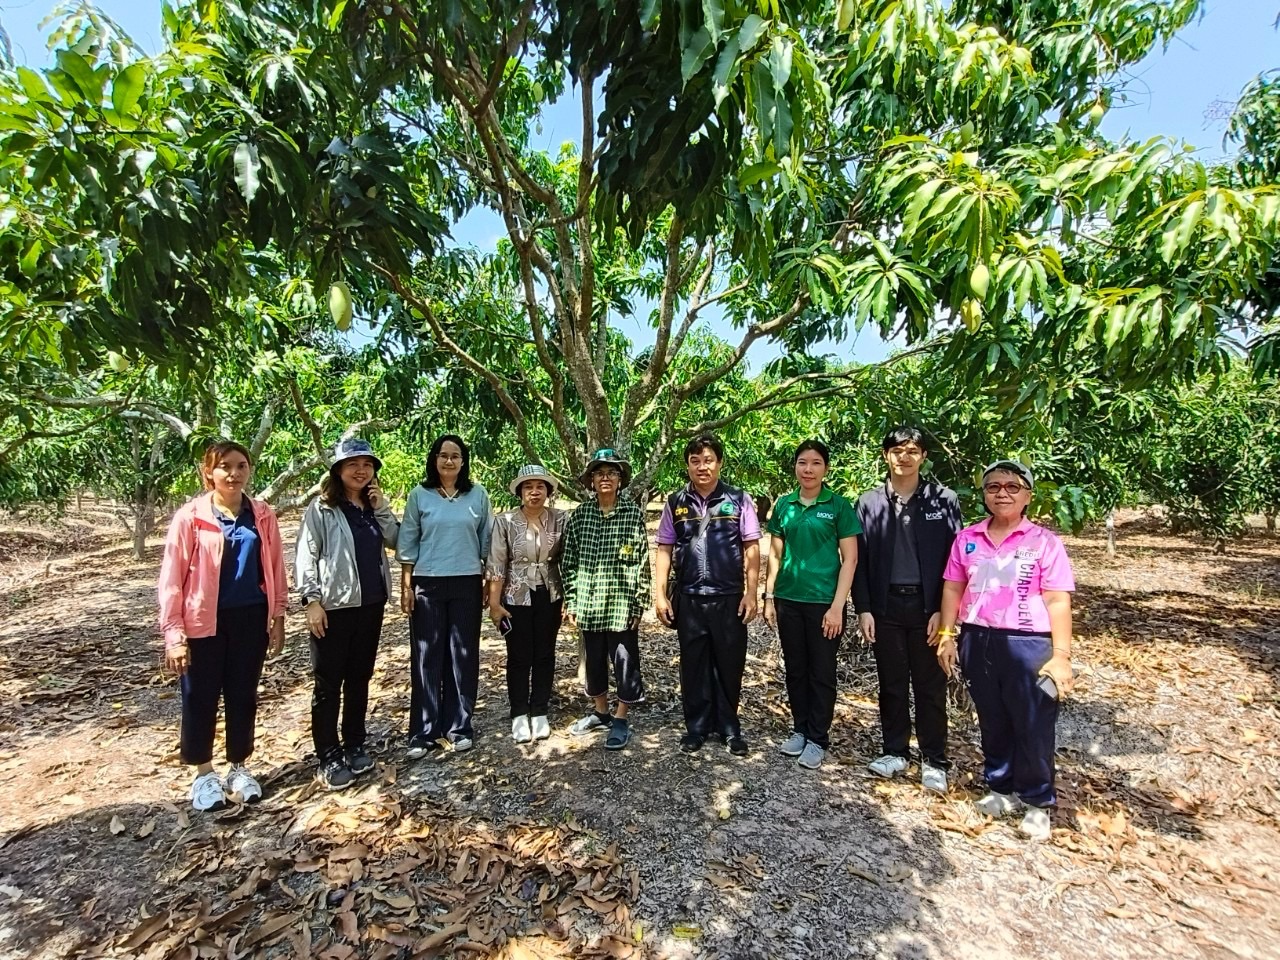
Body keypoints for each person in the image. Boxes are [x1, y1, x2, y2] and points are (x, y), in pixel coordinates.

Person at [936, 461, 1075, 841]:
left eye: (1013, 487)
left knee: (1032, 723)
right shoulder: (968, 539)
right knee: (992, 718)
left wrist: (1060, 655)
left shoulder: (1044, 542)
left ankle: (1036, 800)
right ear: (984, 494)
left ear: (1028, 495)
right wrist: (948, 634)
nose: (1002, 493)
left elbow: (1058, 600)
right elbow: (953, 587)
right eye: (994, 486)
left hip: (1028, 642)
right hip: (978, 638)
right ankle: (1000, 788)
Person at [158, 440, 287, 812]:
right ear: (208, 473)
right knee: (200, 697)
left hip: (250, 617)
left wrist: (277, 616)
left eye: (241, 466)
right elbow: (171, 578)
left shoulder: (261, 514)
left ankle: (239, 767)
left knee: (243, 694)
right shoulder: (191, 517)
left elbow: (275, 567)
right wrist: (174, 634)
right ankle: (203, 774)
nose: (233, 473)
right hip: (203, 622)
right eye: (225, 467)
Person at [853, 427, 961, 793]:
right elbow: (858, 561)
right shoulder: (869, 503)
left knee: (931, 684)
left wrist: (943, 613)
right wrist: (864, 608)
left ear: (923, 456)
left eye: (912, 450)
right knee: (892, 683)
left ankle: (934, 758)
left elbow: (954, 562)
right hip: (885, 607)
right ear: (886, 456)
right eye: (897, 450)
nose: (904, 456)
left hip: (927, 607)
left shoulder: (942, 499)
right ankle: (895, 750)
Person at [295, 438, 400, 789]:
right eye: (353, 464)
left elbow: (397, 540)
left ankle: (355, 743)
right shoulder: (321, 509)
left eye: (367, 464)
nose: (361, 470)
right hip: (333, 607)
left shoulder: (372, 507)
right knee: (328, 682)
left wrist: (382, 507)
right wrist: (311, 600)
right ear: (338, 470)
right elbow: (307, 555)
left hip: (370, 604)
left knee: (359, 677)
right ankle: (328, 754)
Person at [654, 434, 761, 756]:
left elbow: (752, 546)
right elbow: (664, 547)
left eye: (708, 460)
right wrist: (659, 594)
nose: (702, 466)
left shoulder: (739, 499)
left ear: (720, 463)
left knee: (730, 663)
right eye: (695, 460)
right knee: (694, 664)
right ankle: (697, 728)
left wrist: (752, 592)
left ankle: (729, 727)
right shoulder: (675, 502)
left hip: (729, 597)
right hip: (689, 597)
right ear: (687, 465)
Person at [762, 439, 860, 771]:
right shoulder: (785, 505)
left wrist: (837, 606)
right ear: (795, 467)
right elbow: (775, 555)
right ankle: (800, 729)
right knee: (795, 669)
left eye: (816, 463)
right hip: (789, 599)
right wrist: (769, 596)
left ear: (825, 468)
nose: (808, 469)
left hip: (824, 603)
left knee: (822, 672)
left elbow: (850, 560)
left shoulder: (839, 506)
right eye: (803, 462)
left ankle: (818, 738)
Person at [397, 434, 493, 759]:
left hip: (467, 581)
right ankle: (424, 731)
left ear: (463, 461)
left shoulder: (477, 495)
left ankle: (459, 726)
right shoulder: (419, 496)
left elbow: (486, 543)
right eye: (443, 455)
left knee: (463, 655)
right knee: (427, 656)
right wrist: (406, 585)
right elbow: (408, 542)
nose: (449, 461)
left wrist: (487, 584)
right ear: (434, 460)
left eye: (455, 456)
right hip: (428, 584)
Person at [560, 448, 651, 750]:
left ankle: (621, 717)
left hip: (622, 604)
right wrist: (571, 600)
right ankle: (601, 711)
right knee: (595, 661)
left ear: (621, 478)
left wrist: (639, 601)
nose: (605, 478)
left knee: (625, 661)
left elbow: (641, 561)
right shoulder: (580, 516)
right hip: (589, 602)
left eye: (612, 472)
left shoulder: (633, 514)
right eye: (599, 473)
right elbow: (568, 561)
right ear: (591, 480)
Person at [487, 464, 567, 744]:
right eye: (528, 487)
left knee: (545, 653)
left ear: (548, 491)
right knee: (519, 655)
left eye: (540, 486)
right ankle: (519, 712)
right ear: (520, 491)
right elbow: (497, 563)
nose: (535, 492)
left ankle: (540, 710)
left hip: (550, 592)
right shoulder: (505, 522)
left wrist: (570, 597)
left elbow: (566, 559)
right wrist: (495, 604)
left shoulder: (560, 519)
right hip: (516, 593)